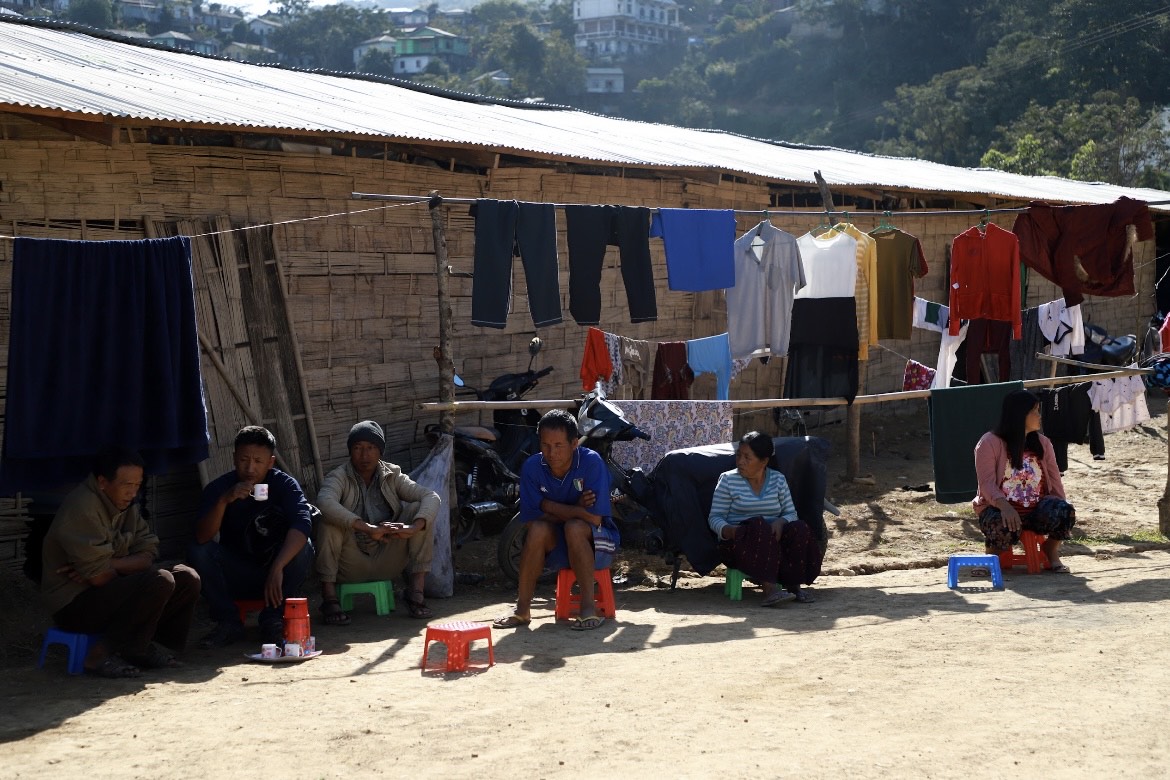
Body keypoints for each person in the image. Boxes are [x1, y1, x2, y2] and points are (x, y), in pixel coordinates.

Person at [41, 446, 201, 678]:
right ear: (103, 482)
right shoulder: (83, 507)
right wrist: (121, 566)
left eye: (137, 485)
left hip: (110, 590)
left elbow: (148, 551)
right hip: (75, 604)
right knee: (159, 580)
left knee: (187, 577)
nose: (133, 493)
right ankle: (100, 654)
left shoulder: (125, 505)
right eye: (127, 485)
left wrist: (113, 563)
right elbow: (98, 578)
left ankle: (141, 647)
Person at [188, 426, 315, 647]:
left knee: (304, 547)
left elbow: (302, 525)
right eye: (244, 459)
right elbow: (202, 537)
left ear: (271, 462)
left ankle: (273, 619)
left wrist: (277, 568)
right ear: (234, 458)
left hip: (278, 576)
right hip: (237, 574)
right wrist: (224, 501)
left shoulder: (283, 484)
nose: (250, 468)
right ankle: (228, 622)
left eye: (258, 461)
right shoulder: (219, 488)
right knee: (197, 550)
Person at [493, 409, 619, 631]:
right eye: (545, 445)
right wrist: (576, 508)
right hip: (556, 548)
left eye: (559, 445)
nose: (551, 453)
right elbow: (532, 519)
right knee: (540, 529)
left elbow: (593, 517)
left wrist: (548, 505)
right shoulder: (533, 467)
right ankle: (522, 609)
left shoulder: (591, 463)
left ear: (574, 443)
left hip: (598, 545)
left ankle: (588, 607)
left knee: (575, 527)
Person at [315, 420, 441, 623]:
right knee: (329, 521)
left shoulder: (393, 474)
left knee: (421, 512)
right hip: (349, 564)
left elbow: (431, 496)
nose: (365, 455)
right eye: (358, 448)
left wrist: (412, 528)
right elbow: (324, 501)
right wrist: (366, 528)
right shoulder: (338, 476)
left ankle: (416, 593)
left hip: (388, 558)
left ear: (380, 451)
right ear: (350, 451)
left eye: (371, 448)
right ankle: (329, 598)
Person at [708, 431, 823, 606]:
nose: (740, 461)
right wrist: (729, 531)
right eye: (739, 455)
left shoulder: (778, 480)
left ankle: (793, 586)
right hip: (738, 545)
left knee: (799, 527)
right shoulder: (728, 480)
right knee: (757, 525)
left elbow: (791, 513)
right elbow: (715, 517)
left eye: (747, 457)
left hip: (773, 544)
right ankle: (770, 589)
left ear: (764, 461)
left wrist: (780, 521)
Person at [973, 389, 1076, 572]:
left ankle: (1050, 551)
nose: (1039, 415)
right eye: (1035, 410)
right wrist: (1005, 507)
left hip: (1037, 510)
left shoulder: (1043, 443)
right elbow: (986, 483)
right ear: (1020, 414)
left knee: (1065, 510)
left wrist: (1063, 511)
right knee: (999, 523)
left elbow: (1054, 479)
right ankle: (991, 557)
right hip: (1000, 508)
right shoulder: (989, 443)